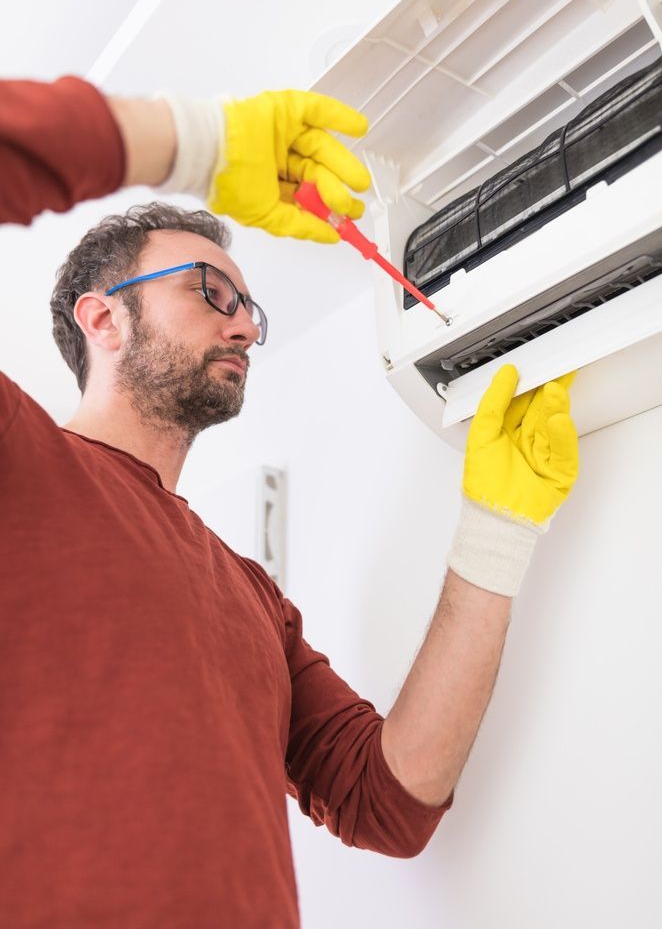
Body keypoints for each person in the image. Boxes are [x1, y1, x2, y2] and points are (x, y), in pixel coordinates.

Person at [0, 77, 578, 928]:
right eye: (209, 291)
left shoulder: (251, 597)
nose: (243, 326)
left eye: (248, 308)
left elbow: (389, 801)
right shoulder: (21, 460)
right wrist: (196, 142)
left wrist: (496, 535)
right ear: (103, 320)